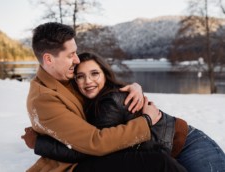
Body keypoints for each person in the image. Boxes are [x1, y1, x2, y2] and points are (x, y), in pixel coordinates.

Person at [23, 22, 186, 172]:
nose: (77, 59)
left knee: (159, 161)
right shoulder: (43, 99)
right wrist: (146, 121)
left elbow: (97, 85)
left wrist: (133, 88)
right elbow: (95, 142)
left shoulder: (65, 77)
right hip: (73, 166)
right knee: (157, 162)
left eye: (76, 53)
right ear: (49, 59)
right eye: (70, 55)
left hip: (90, 154)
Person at [24, 52, 225, 172]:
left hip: (188, 143)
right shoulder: (95, 102)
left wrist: (40, 144)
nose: (88, 81)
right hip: (168, 152)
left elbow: (89, 147)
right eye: (80, 77)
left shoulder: (109, 101)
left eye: (94, 73)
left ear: (105, 74)